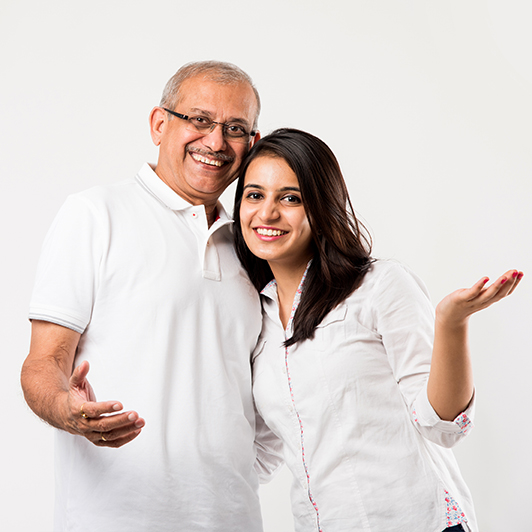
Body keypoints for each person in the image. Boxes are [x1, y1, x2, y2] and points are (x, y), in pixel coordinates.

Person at [21, 61, 281, 531]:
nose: (216, 142)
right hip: (112, 519)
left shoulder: (256, 243)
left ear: (252, 143)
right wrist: (68, 411)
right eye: (199, 119)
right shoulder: (95, 215)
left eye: (235, 128)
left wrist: (237, 473)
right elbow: (45, 361)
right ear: (159, 124)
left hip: (233, 519)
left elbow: (270, 390)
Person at [233, 128, 523, 532]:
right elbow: (261, 455)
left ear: (321, 206)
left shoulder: (378, 286)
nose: (267, 213)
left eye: (291, 198)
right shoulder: (253, 317)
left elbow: (441, 424)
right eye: (254, 195)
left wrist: (451, 323)